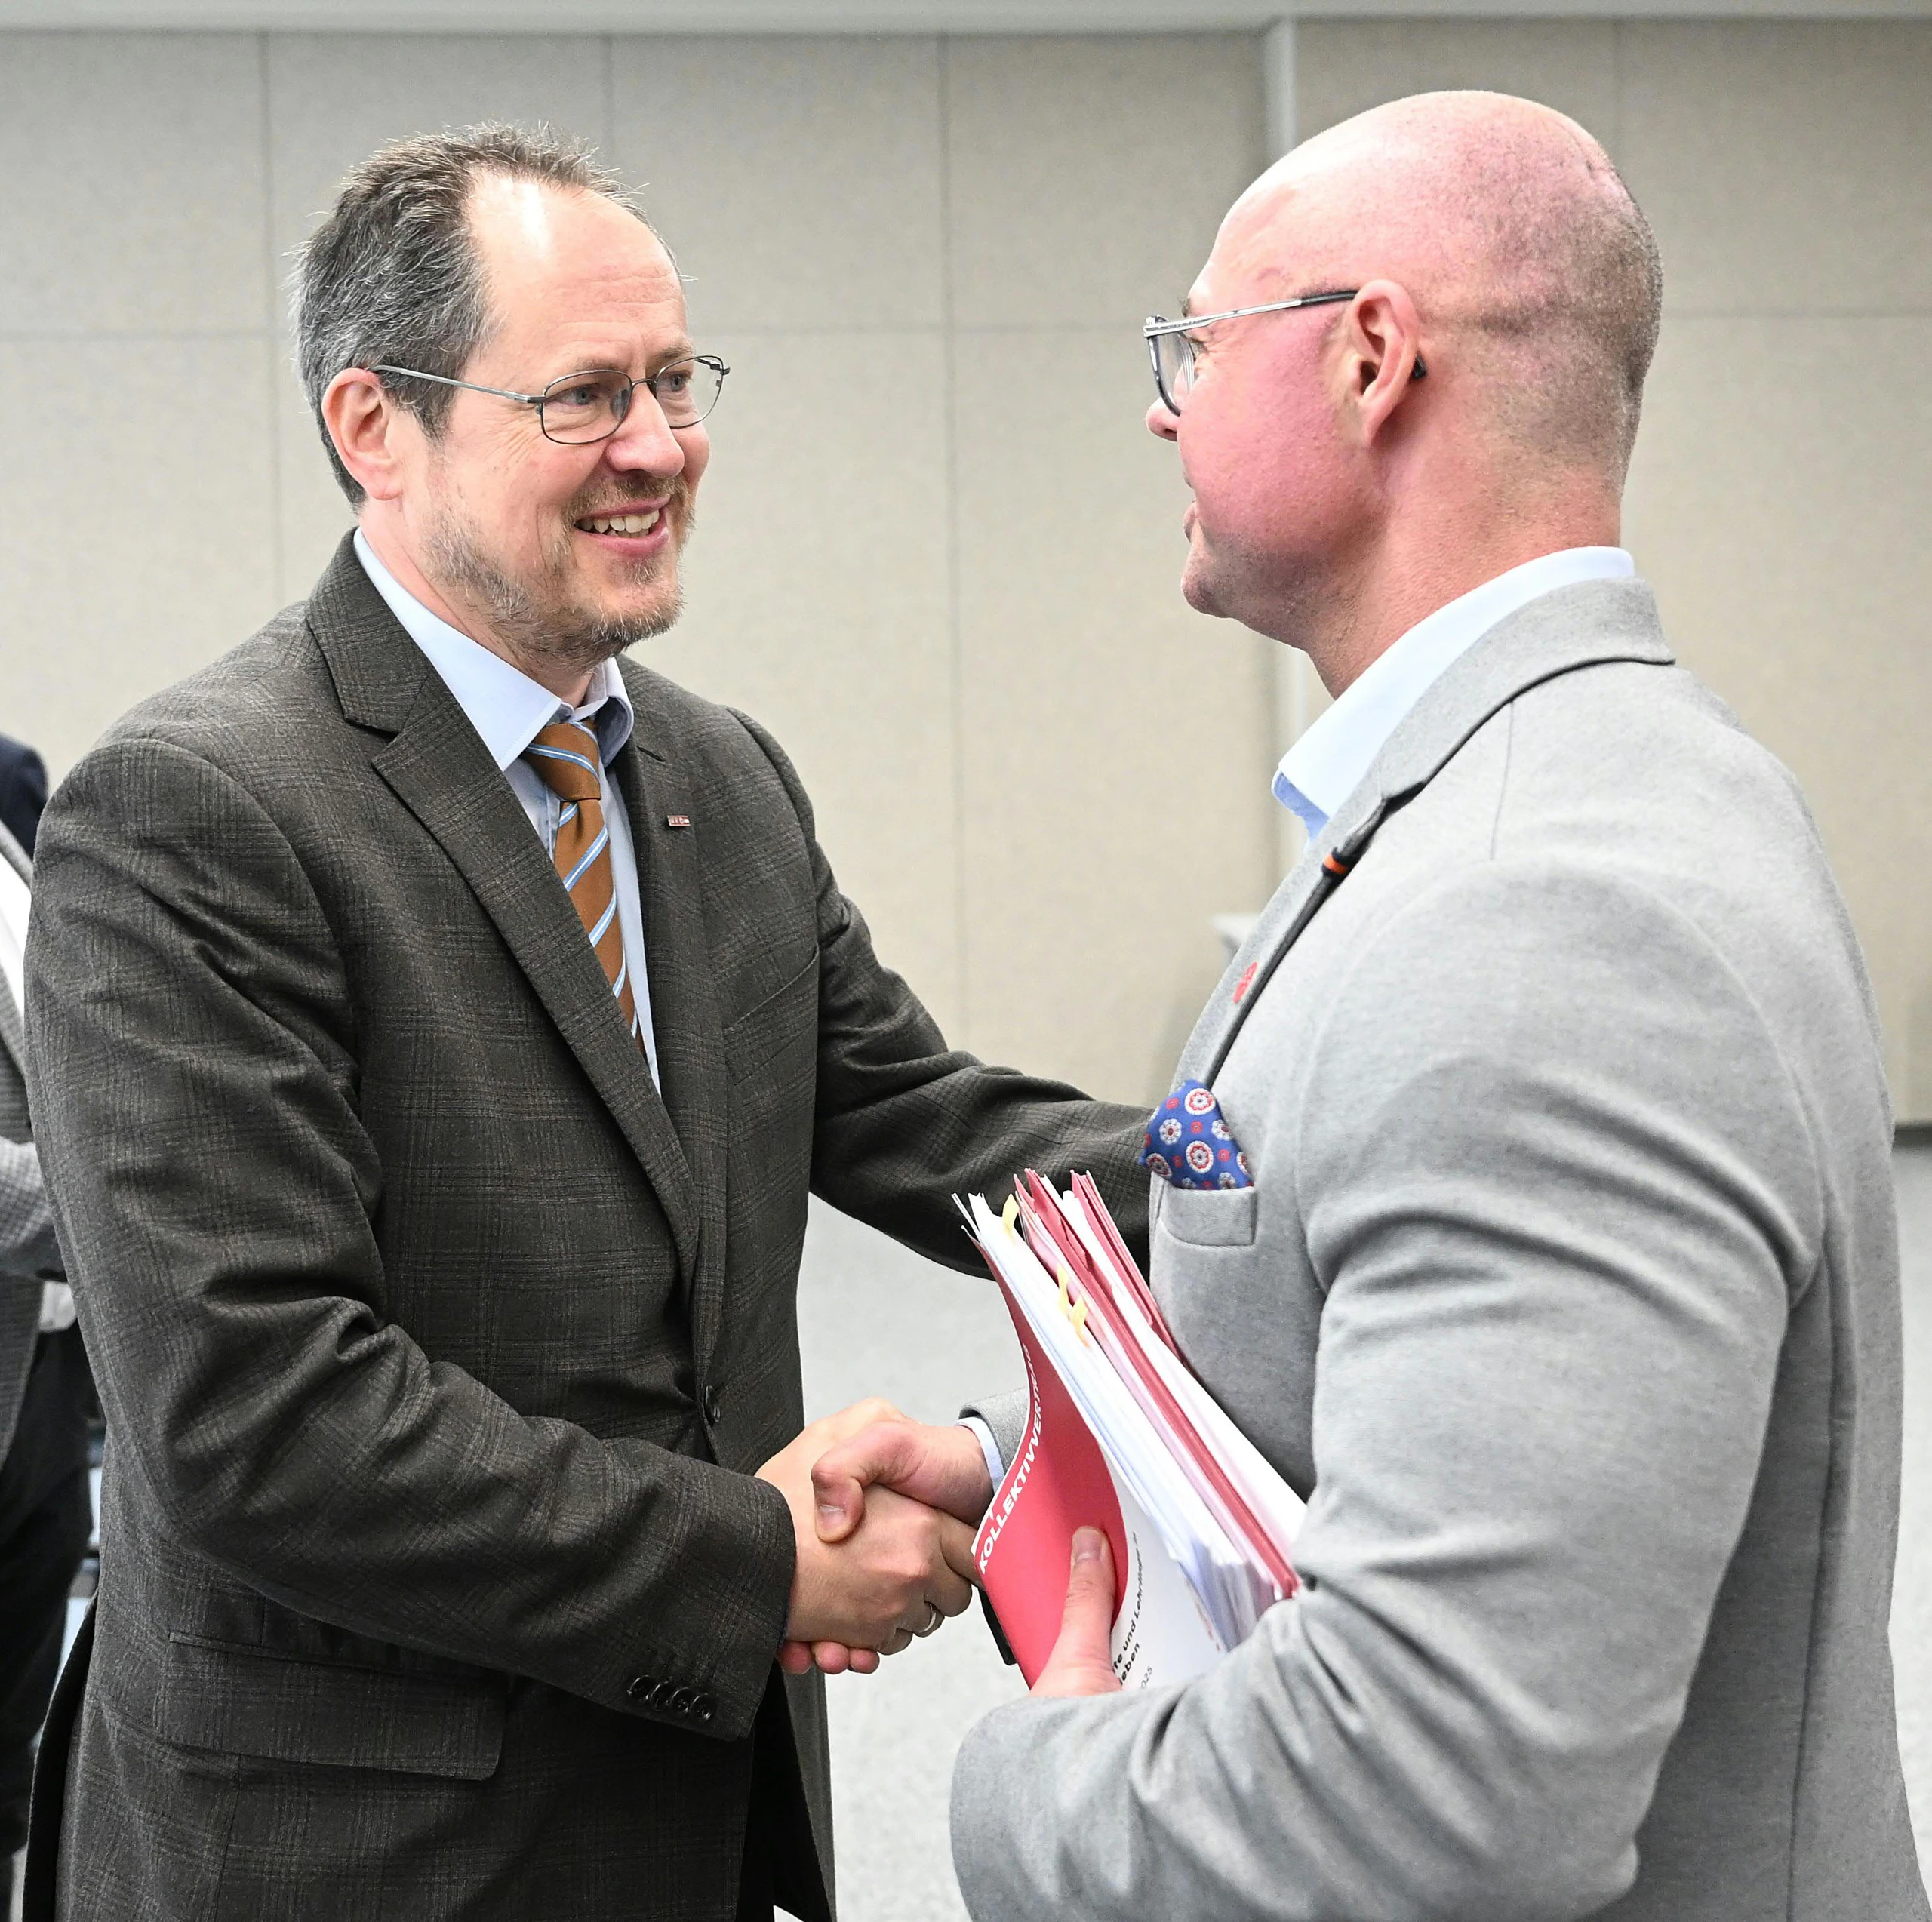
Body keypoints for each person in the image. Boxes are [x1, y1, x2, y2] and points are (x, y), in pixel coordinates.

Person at [813, 90, 1929, 1918]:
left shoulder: (1536, 920)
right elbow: (1397, 1377)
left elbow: (1435, 1802)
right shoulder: (1586, 781)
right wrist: (1022, 1468)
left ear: (1367, 360)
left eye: (1194, 342)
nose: (1157, 402)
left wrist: (1025, 1784)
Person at [20, 125, 1143, 1922]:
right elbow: (259, 1416)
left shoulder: (719, 776)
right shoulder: (191, 814)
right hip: (359, 1855)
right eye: (583, 396)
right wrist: (758, 1557)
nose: (660, 447)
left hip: (694, 1813)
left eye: (676, 381)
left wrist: (1296, 1169)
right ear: (371, 426)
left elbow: (935, 1127)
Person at [0, 749, 88, 1920]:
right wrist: (126, 1205)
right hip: (64, 1252)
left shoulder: (16, 784)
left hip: (48, 1369)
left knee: (12, 1751)